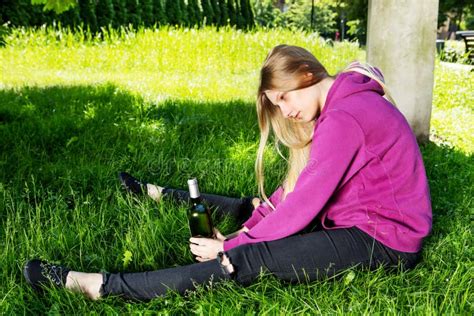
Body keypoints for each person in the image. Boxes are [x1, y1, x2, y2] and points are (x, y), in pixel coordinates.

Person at [23, 44, 432, 301]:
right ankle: (163, 193)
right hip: (360, 226)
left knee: (243, 261)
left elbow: (303, 205)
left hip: (384, 242)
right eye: (277, 103)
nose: (286, 111)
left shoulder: (346, 117)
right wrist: (247, 227)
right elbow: (289, 193)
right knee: (256, 209)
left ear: (307, 74)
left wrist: (235, 245)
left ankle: (99, 285)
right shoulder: (343, 108)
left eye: (285, 97)